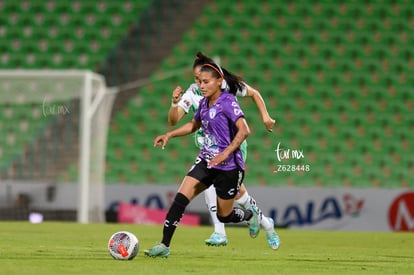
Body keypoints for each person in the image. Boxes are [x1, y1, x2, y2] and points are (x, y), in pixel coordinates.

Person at [144, 62, 263, 258]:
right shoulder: (204, 103)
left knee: (224, 215)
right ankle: (164, 245)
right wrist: (169, 135)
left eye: (206, 82)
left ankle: (249, 216)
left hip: (229, 166)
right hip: (207, 160)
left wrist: (225, 153)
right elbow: (193, 125)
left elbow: (245, 130)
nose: (202, 86)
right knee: (180, 199)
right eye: (200, 82)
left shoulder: (228, 101)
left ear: (219, 82)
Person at [167, 52, 279, 250]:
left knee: (215, 185)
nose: (199, 82)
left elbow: (253, 93)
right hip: (209, 148)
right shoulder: (194, 92)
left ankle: (220, 232)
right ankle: (266, 224)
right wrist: (174, 103)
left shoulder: (225, 87)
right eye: (196, 78)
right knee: (239, 196)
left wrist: (266, 117)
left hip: (232, 147)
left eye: (202, 77)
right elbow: (174, 120)